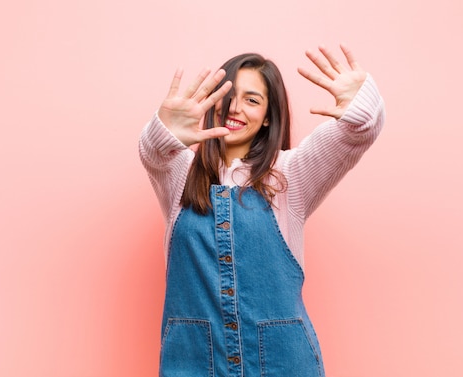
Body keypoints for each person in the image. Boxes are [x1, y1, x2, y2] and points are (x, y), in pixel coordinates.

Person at [139, 44, 385, 377]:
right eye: (228, 96)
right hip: (193, 363)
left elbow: (358, 133)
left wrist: (361, 105)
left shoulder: (291, 174)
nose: (235, 108)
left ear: (268, 116)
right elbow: (154, 151)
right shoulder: (179, 172)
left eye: (252, 100)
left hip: (283, 365)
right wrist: (164, 128)